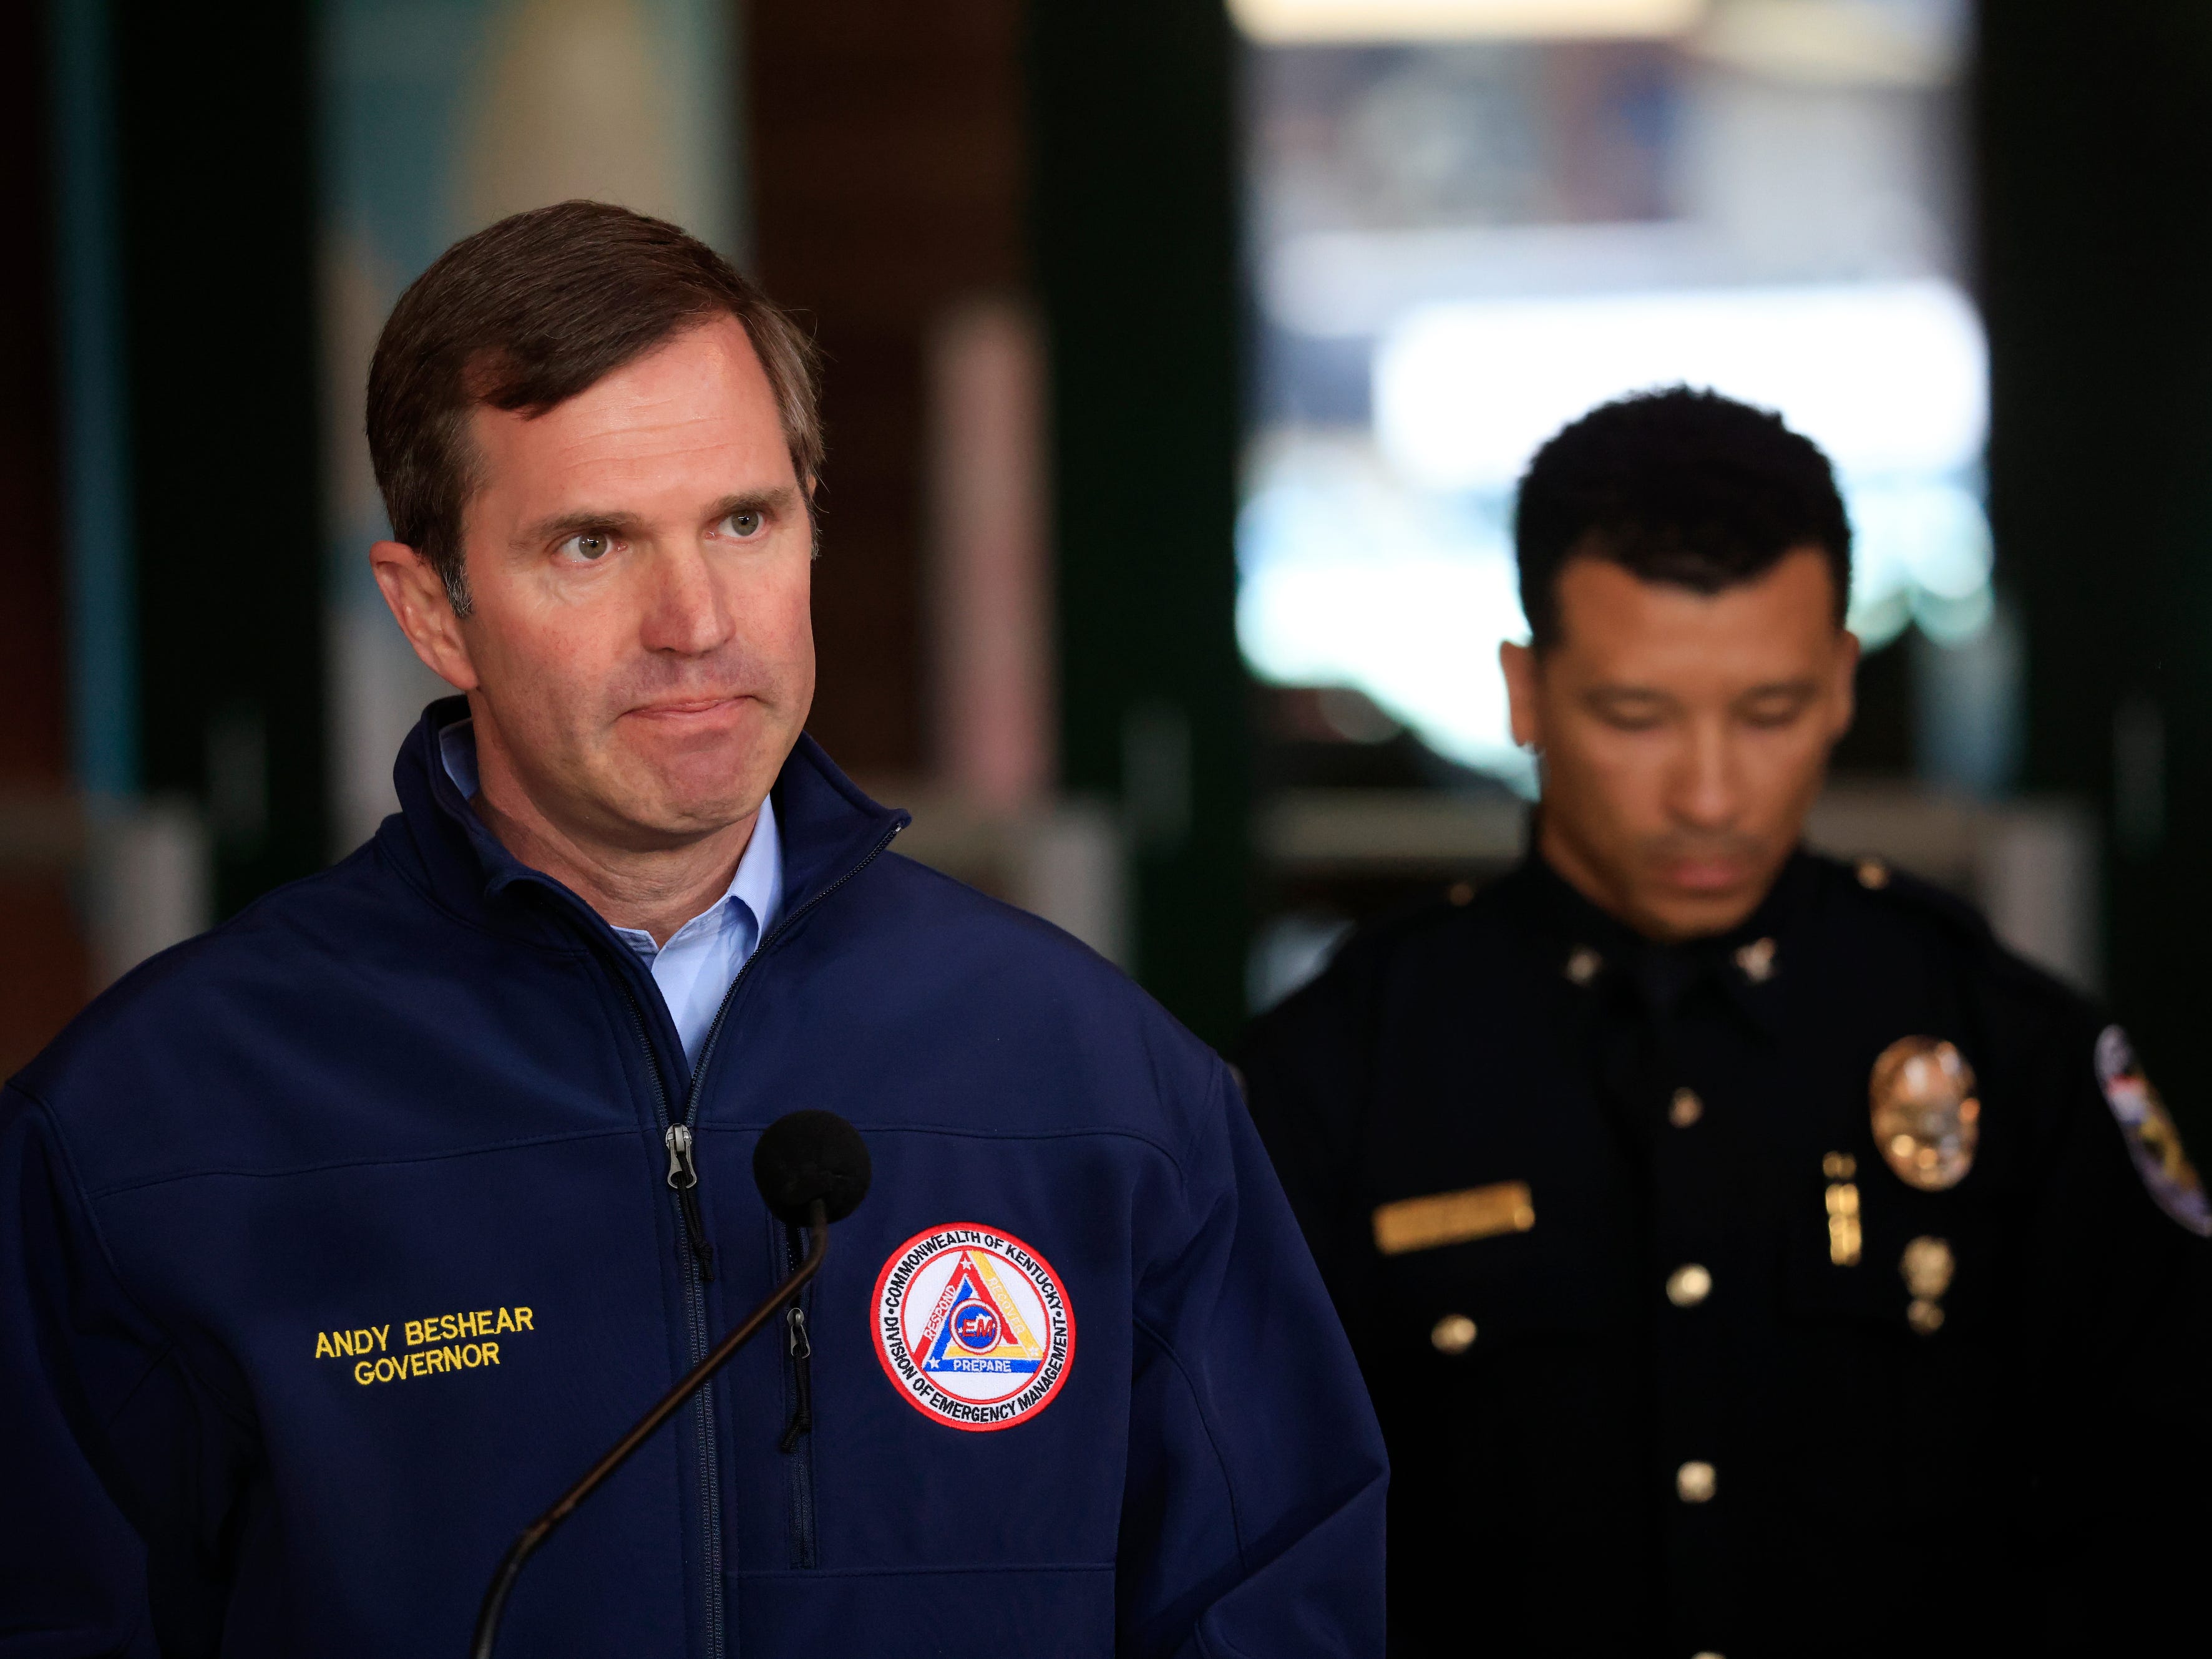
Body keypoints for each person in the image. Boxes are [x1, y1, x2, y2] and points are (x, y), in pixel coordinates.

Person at [0, 202, 1384, 1658]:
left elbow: (1276, 1604)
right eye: (592, 543)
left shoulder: (1099, 1080)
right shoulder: (149, 1123)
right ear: (435, 612)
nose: (695, 619)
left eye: (744, 521)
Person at [1239, 387, 2212, 1658]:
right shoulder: (1345, 1067)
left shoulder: (2005, 1046)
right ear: (1526, 695)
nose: (1709, 793)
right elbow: (1248, 1542)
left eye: (1769, 712)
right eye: (1635, 717)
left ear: (1843, 686)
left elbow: (2161, 1508)